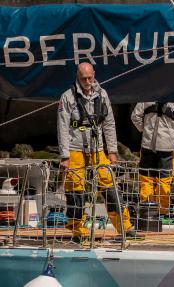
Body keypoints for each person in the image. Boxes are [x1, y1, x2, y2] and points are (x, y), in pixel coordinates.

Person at [57, 62, 137, 242]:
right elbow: (62, 127)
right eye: (83, 78)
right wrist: (65, 155)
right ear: (77, 77)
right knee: (75, 190)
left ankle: (125, 227)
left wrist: (112, 150)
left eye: (90, 77)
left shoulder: (102, 94)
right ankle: (78, 231)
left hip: (97, 147)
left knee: (109, 184)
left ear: (94, 74)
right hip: (75, 148)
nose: (87, 82)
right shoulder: (67, 97)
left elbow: (109, 123)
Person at [131, 103, 174, 215]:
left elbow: (135, 116)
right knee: (164, 181)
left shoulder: (146, 96)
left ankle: (147, 212)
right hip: (167, 147)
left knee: (146, 180)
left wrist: (144, 130)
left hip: (148, 145)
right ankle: (162, 213)